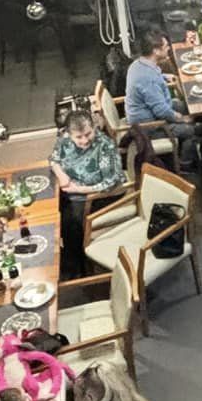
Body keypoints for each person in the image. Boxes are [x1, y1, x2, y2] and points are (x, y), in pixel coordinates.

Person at [51, 110, 126, 277]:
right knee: (54, 215)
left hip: (102, 193)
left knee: (71, 222)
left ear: (94, 127)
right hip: (72, 189)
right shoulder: (64, 140)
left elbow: (110, 182)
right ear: (69, 134)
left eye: (88, 134)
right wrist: (61, 175)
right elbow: (54, 159)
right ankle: (67, 257)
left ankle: (77, 268)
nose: (85, 140)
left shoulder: (105, 146)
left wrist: (79, 189)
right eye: (79, 137)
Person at [123, 27, 195, 167]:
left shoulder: (138, 64)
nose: (168, 48)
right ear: (156, 51)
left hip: (152, 111)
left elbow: (150, 82)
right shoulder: (148, 79)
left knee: (185, 105)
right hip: (149, 127)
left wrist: (164, 76)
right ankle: (185, 164)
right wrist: (182, 119)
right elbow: (161, 111)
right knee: (190, 130)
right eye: (166, 46)